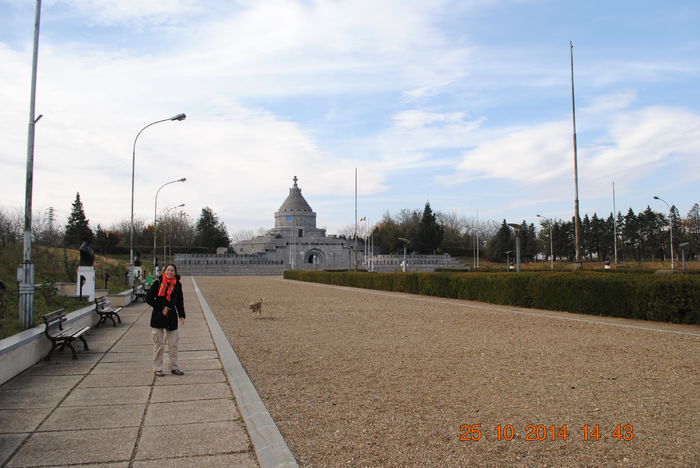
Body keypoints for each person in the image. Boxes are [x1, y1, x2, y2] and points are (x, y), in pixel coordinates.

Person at [146, 263, 186, 376]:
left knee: (173, 344)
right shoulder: (158, 282)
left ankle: (174, 367)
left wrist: (182, 315)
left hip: (171, 317)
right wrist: (161, 308)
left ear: (175, 272)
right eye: (168, 270)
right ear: (165, 271)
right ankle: (158, 368)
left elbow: (179, 302)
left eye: (172, 270)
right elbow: (148, 298)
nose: (170, 272)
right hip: (158, 316)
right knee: (158, 345)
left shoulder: (177, 284)